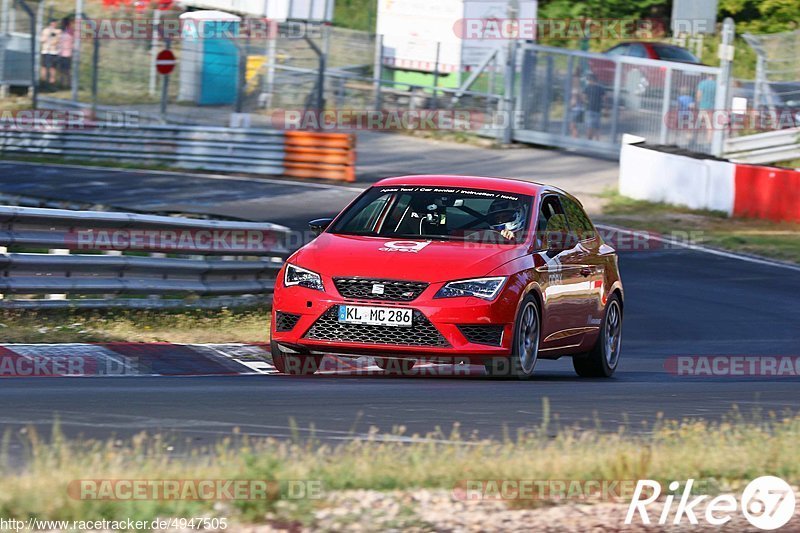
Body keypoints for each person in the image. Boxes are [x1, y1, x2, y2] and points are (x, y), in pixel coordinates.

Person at [696, 73, 717, 144]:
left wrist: (699, 102)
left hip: (702, 107)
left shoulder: (702, 83)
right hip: (712, 107)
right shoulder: (716, 84)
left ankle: (695, 140)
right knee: (710, 126)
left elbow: (699, 95)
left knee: (698, 124)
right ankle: (709, 141)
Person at [39, 20, 61, 88]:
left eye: (55, 23)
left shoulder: (58, 31)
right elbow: (42, 40)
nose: (53, 24)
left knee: (52, 67)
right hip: (45, 51)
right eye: (52, 23)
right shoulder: (45, 30)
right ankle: (43, 81)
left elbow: (56, 41)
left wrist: (54, 37)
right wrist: (48, 36)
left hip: (53, 52)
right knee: (44, 67)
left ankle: (52, 82)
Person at [583, 74, 605, 141]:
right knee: (597, 127)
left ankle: (588, 140)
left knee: (589, 126)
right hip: (597, 110)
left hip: (589, 109)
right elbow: (604, 98)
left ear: (591, 80)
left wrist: (586, 102)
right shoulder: (600, 88)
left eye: (589, 80)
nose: (588, 81)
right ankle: (597, 140)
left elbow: (584, 97)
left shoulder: (588, 87)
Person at [58, 18, 74, 89]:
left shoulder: (70, 31)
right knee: (61, 70)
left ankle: (68, 84)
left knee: (67, 70)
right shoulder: (62, 31)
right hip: (61, 53)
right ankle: (62, 84)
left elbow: (73, 41)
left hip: (68, 53)